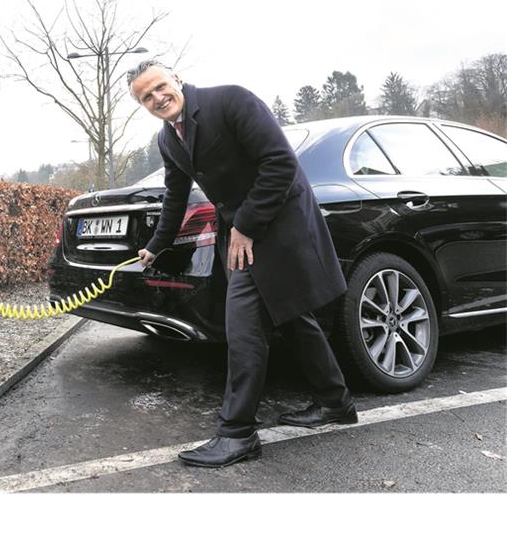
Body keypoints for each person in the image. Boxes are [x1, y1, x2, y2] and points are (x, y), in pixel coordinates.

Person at [128, 60, 356, 468]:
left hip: (278, 224)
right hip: (242, 235)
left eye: (160, 86)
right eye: (147, 97)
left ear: (176, 78)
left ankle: (237, 433)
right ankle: (334, 402)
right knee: (291, 315)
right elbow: (175, 195)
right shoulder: (168, 139)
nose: (157, 97)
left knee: (244, 325)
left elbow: (281, 163)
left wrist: (247, 225)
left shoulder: (230, 100)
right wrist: (155, 246)